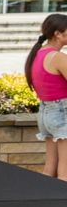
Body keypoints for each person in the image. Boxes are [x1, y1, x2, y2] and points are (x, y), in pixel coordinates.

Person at [24, 13, 67, 181]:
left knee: (49, 170)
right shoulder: (58, 57)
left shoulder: (38, 53)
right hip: (62, 113)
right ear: (58, 34)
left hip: (46, 113)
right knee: (64, 173)